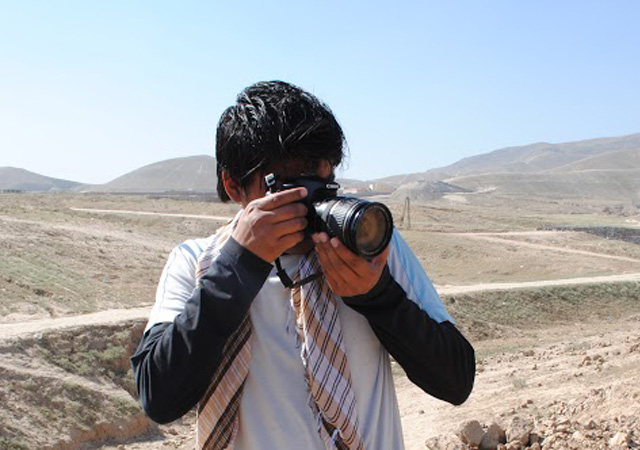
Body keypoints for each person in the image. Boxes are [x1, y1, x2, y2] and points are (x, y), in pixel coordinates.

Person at [131, 80, 475, 450]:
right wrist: (236, 270)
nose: (309, 206)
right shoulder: (198, 263)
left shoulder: (370, 246)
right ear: (233, 185)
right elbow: (159, 397)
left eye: (322, 186)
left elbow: (456, 381)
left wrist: (378, 297)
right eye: (288, 189)